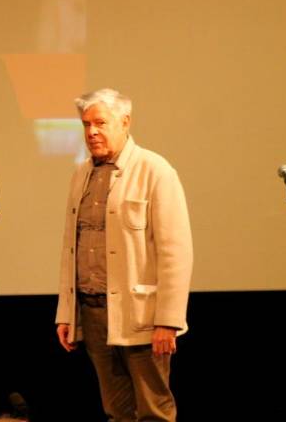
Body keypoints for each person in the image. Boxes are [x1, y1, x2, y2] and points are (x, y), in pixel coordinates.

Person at [55, 88, 193, 421]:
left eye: (100, 123)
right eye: (86, 124)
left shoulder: (154, 170)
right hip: (93, 313)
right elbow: (71, 246)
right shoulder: (81, 173)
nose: (92, 132)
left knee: (153, 411)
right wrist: (66, 312)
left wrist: (168, 321)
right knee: (116, 411)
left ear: (125, 122)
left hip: (141, 316)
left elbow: (175, 251)